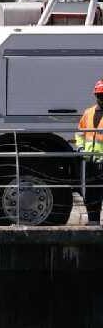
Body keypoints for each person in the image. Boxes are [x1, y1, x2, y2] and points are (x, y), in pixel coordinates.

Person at [76, 79, 103, 224]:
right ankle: (93, 222)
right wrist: (80, 148)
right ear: (95, 95)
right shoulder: (88, 113)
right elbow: (80, 133)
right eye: (99, 95)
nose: (101, 98)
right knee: (92, 194)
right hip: (90, 161)